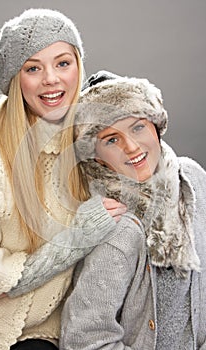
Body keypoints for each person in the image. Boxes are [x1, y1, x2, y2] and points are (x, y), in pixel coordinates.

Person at [0, 9, 126, 350]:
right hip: (2, 335)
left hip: (72, 325)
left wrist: (123, 101)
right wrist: (76, 238)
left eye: (62, 63)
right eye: (33, 68)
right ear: (15, 80)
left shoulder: (85, 136)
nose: (52, 80)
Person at [60, 72, 206, 349]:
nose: (132, 147)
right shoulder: (117, 227)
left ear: (156, 125)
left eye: (137, 127)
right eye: (111, 140)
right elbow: (84, 340)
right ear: (96, 157)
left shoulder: (192, 180)